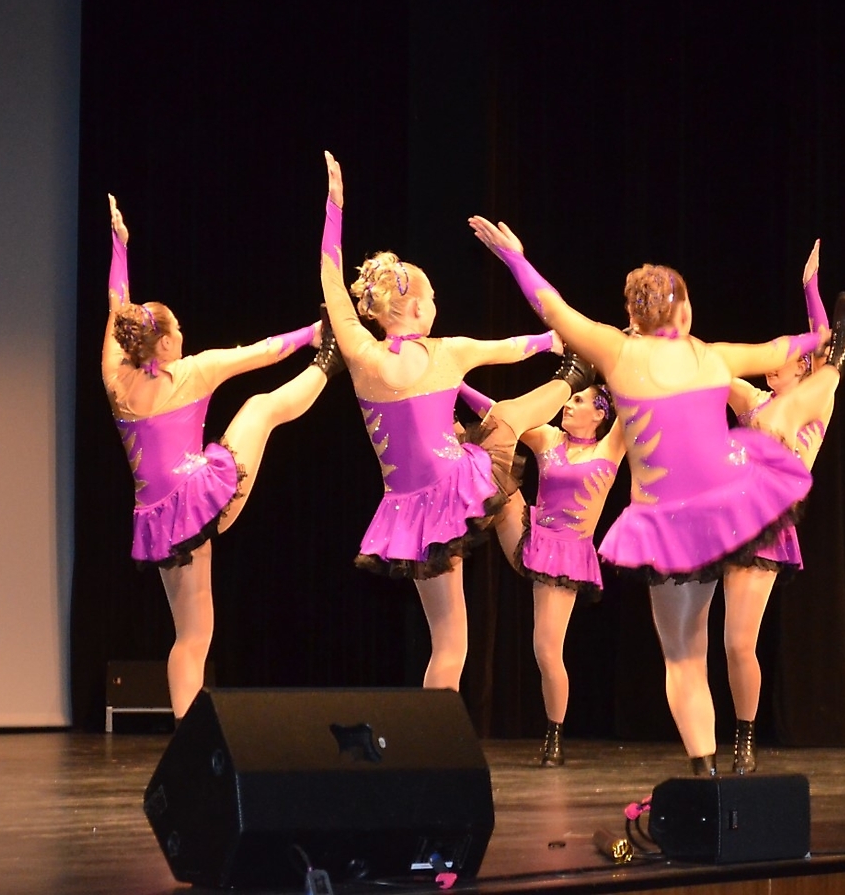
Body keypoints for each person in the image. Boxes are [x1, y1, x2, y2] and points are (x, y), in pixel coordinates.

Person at [469, 215, 845, 774]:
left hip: (667, 522)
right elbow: (782, 347)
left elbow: (552, 309)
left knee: (683, 658)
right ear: (685, 312)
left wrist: (515, 258)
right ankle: (841, 366)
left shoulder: (617, 351)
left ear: (633, 318)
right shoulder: (712, 355)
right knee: (790, 409)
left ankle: (704, 769)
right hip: (724, 506)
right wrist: (820, 338)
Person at [318, 154, 570, 691]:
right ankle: (570, 386)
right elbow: (513, 347)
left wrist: (334, 207)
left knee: (449, 643)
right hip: (455, 488)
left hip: (411, 508)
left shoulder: (361, 354)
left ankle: (435, 737)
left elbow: (331, 282)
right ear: (413, 308)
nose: (436, 303)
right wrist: (556, 339)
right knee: (504, 421)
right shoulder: (447, 350)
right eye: (431, 297)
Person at [102, 193, 341, 718]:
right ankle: (328, 362)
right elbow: (263, 351)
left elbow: (117, 306)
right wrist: (314, 333)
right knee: (261, 408)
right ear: (165, 343)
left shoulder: (115, 380)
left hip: (157, 519)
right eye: (178, 330)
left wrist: (120, 247)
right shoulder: (194, 371)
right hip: (198, 500)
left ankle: (186, 732)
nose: (183, 335)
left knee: (189, 638)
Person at [723, 240, 845, 773]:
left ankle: (745, 734)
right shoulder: (753, 401)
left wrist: (811, 289)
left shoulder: (816, 402)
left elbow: (826, 349)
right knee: (713, 642)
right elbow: (712, 371)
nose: (769, 365)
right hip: (724, 517)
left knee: (740, 642)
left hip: (766, 523)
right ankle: (709, 733)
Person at [458, 379, 625, 766]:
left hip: (565, 556)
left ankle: (554, 734)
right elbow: (501, 413)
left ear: (600, 414)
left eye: (578, 400)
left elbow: (634, 402)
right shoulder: (549, 438)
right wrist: (459, 386)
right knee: (491, 468)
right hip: (529, 536)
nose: (568, 405)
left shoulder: (610, 448)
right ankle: (447, 523)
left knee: (546, 651)